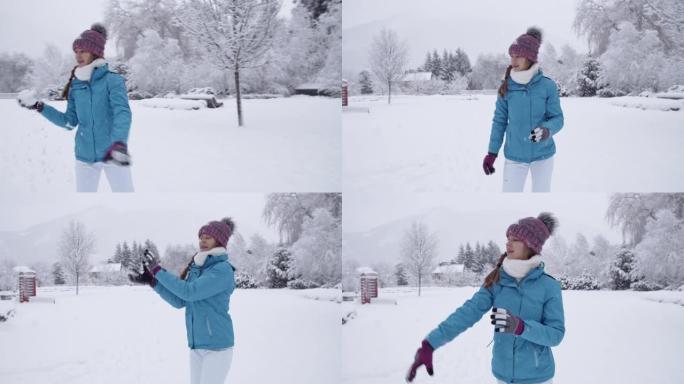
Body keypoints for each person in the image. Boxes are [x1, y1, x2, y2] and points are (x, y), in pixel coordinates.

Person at [406, 213, 565, 384]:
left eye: (515, 239)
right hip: (502, 376)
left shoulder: (549, 287)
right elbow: (467, 313)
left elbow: (555, 335)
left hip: (538, 378)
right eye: (508, 238)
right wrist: (430, 344)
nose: (508, 243)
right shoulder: (497, 281)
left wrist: (521, 327)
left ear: (531, 245)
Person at [17, 23, 134, 192]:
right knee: (83, 204)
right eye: (76, 52)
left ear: (95, 53)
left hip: (113, 153)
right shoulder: (75, 86)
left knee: (126, 199)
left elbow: (122, 113)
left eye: (83, 51)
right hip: (84, 156)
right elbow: (69, 122)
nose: (78, 56)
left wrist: (118, 143)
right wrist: (39, 106)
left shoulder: (112, 80)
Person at [129, 218, 237, 384]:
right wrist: (153, 282)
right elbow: (180, 300)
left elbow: (189, 292)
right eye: (201, 237)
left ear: (219, 241)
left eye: (208, 237)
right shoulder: (197, 267)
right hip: (197, 346)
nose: (203, 240)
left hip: (217, 348)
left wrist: (158, 271)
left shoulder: (222, 269)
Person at [482, 27, 564, 193]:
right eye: (511, 56)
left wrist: (547, 131)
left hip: (543, 156)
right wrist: (492, 152)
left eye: (518, 56)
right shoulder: (506, 87)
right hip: (515, 156)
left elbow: (558, 118)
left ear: (530, 58)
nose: (513, 61)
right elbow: (499, 122)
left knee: (542, 197)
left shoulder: (547, 86)